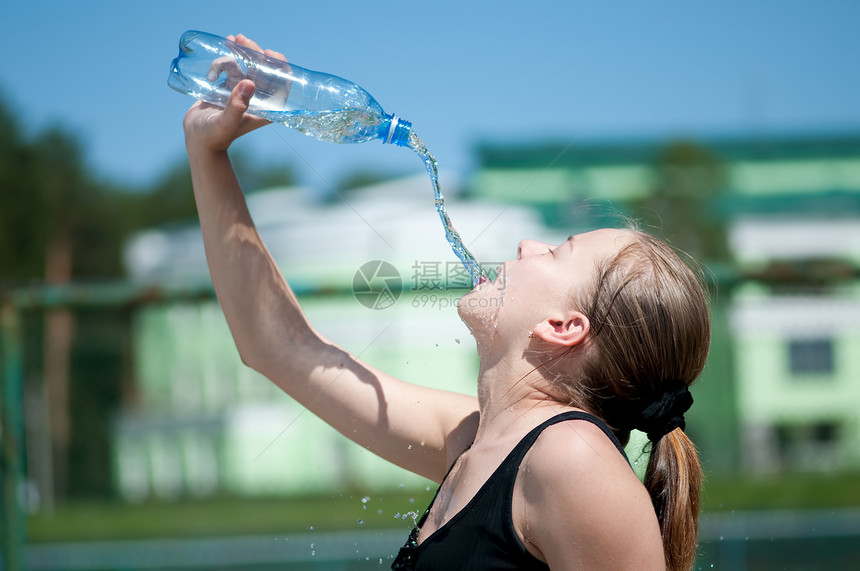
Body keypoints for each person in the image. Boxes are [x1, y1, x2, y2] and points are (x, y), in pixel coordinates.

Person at [182, 34, 710, 571]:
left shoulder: (572, 463)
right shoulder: (480, 440)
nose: (527, 246)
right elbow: (279, 346)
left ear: (565, 325)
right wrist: (209, 153)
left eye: (556, 251)